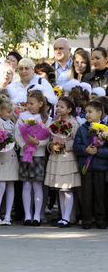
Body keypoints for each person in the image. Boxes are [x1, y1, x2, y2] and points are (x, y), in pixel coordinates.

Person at [15, 89, 52, 226]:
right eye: (27, 103)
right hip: (25, 154)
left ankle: (37, 215)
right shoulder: (22, 116)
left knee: (37, 185)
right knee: (26, 184)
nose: (29, 106)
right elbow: (17, 133)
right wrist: (23, 144)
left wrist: (38, 143)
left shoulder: (46, 119)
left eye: (32, 103)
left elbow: (48, 137)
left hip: (38, 154)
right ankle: (27, 215)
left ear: (40, 103)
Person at [44, 97, 80, 228]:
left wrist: (63, 146)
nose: (58, 108)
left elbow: (75, 141)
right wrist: (51, 146)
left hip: (67, 158)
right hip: (56, 157)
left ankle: (68, 217)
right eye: (57, 106)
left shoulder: (73, 123)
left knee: (67, 189)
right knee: (60, 189)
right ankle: (63, 216)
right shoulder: (55, 122)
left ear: (69, 109)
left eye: (62, 106)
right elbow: (50, 139)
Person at [73, 100, 108, 229]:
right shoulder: (82, 129)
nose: (86, 114)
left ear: (99, 113)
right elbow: (76, 146)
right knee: (86, 194)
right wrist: (85, 149)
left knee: (100, 194)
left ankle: (100, 219)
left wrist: (99, 151)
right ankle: (87, 219)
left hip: (100, 167)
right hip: (86, 167)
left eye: (90, 112)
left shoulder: (106, 129)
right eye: (85, 112)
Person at [0, 98, 18, 226]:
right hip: (1, 157)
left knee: (11, 185)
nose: (10, 114)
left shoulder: (12, 123)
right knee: (1, 186)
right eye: (8, 112)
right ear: (0, 111)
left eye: (11, 112)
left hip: (11, 156)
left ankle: (7, 215)